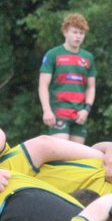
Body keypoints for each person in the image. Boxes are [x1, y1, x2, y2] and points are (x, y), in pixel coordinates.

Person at [38, 13, 96, 143]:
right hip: (59, 113)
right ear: (65, 32)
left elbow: (91, 87)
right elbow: (43, 85)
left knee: (76, 157)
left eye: (81, 33)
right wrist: (46, 111)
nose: (78, 36)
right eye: (74, 32)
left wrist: (86, 110)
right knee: (60, 153)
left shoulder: (88, 58)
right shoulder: (53, 54)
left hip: (79, 114)